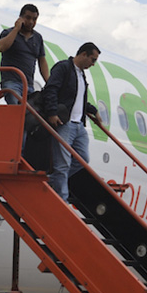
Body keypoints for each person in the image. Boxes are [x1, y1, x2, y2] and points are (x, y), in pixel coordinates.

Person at [40, 42, 102, 202]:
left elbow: (79, 99)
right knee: (62, 164)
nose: (93, 64)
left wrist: (93, 111)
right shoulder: (63, 68)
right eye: (92, 60)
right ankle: (62, 200)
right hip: (65, 123)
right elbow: (51, 89)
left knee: (83, 159)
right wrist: (52, 112)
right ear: (83, 55)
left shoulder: (81, 75)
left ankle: (53, 181)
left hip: (78, 125)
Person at [0, 4, 48, 104]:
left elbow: (42, 60)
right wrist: (16, 29)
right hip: (11, 82)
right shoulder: (8, 33)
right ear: (20, 18)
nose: (31, 22)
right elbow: (1, 47)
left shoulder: (38, 38)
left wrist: (48, 82)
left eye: (34, 19)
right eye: (28, 18)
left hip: (28, 84)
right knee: (16, 108)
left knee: (29, 113)